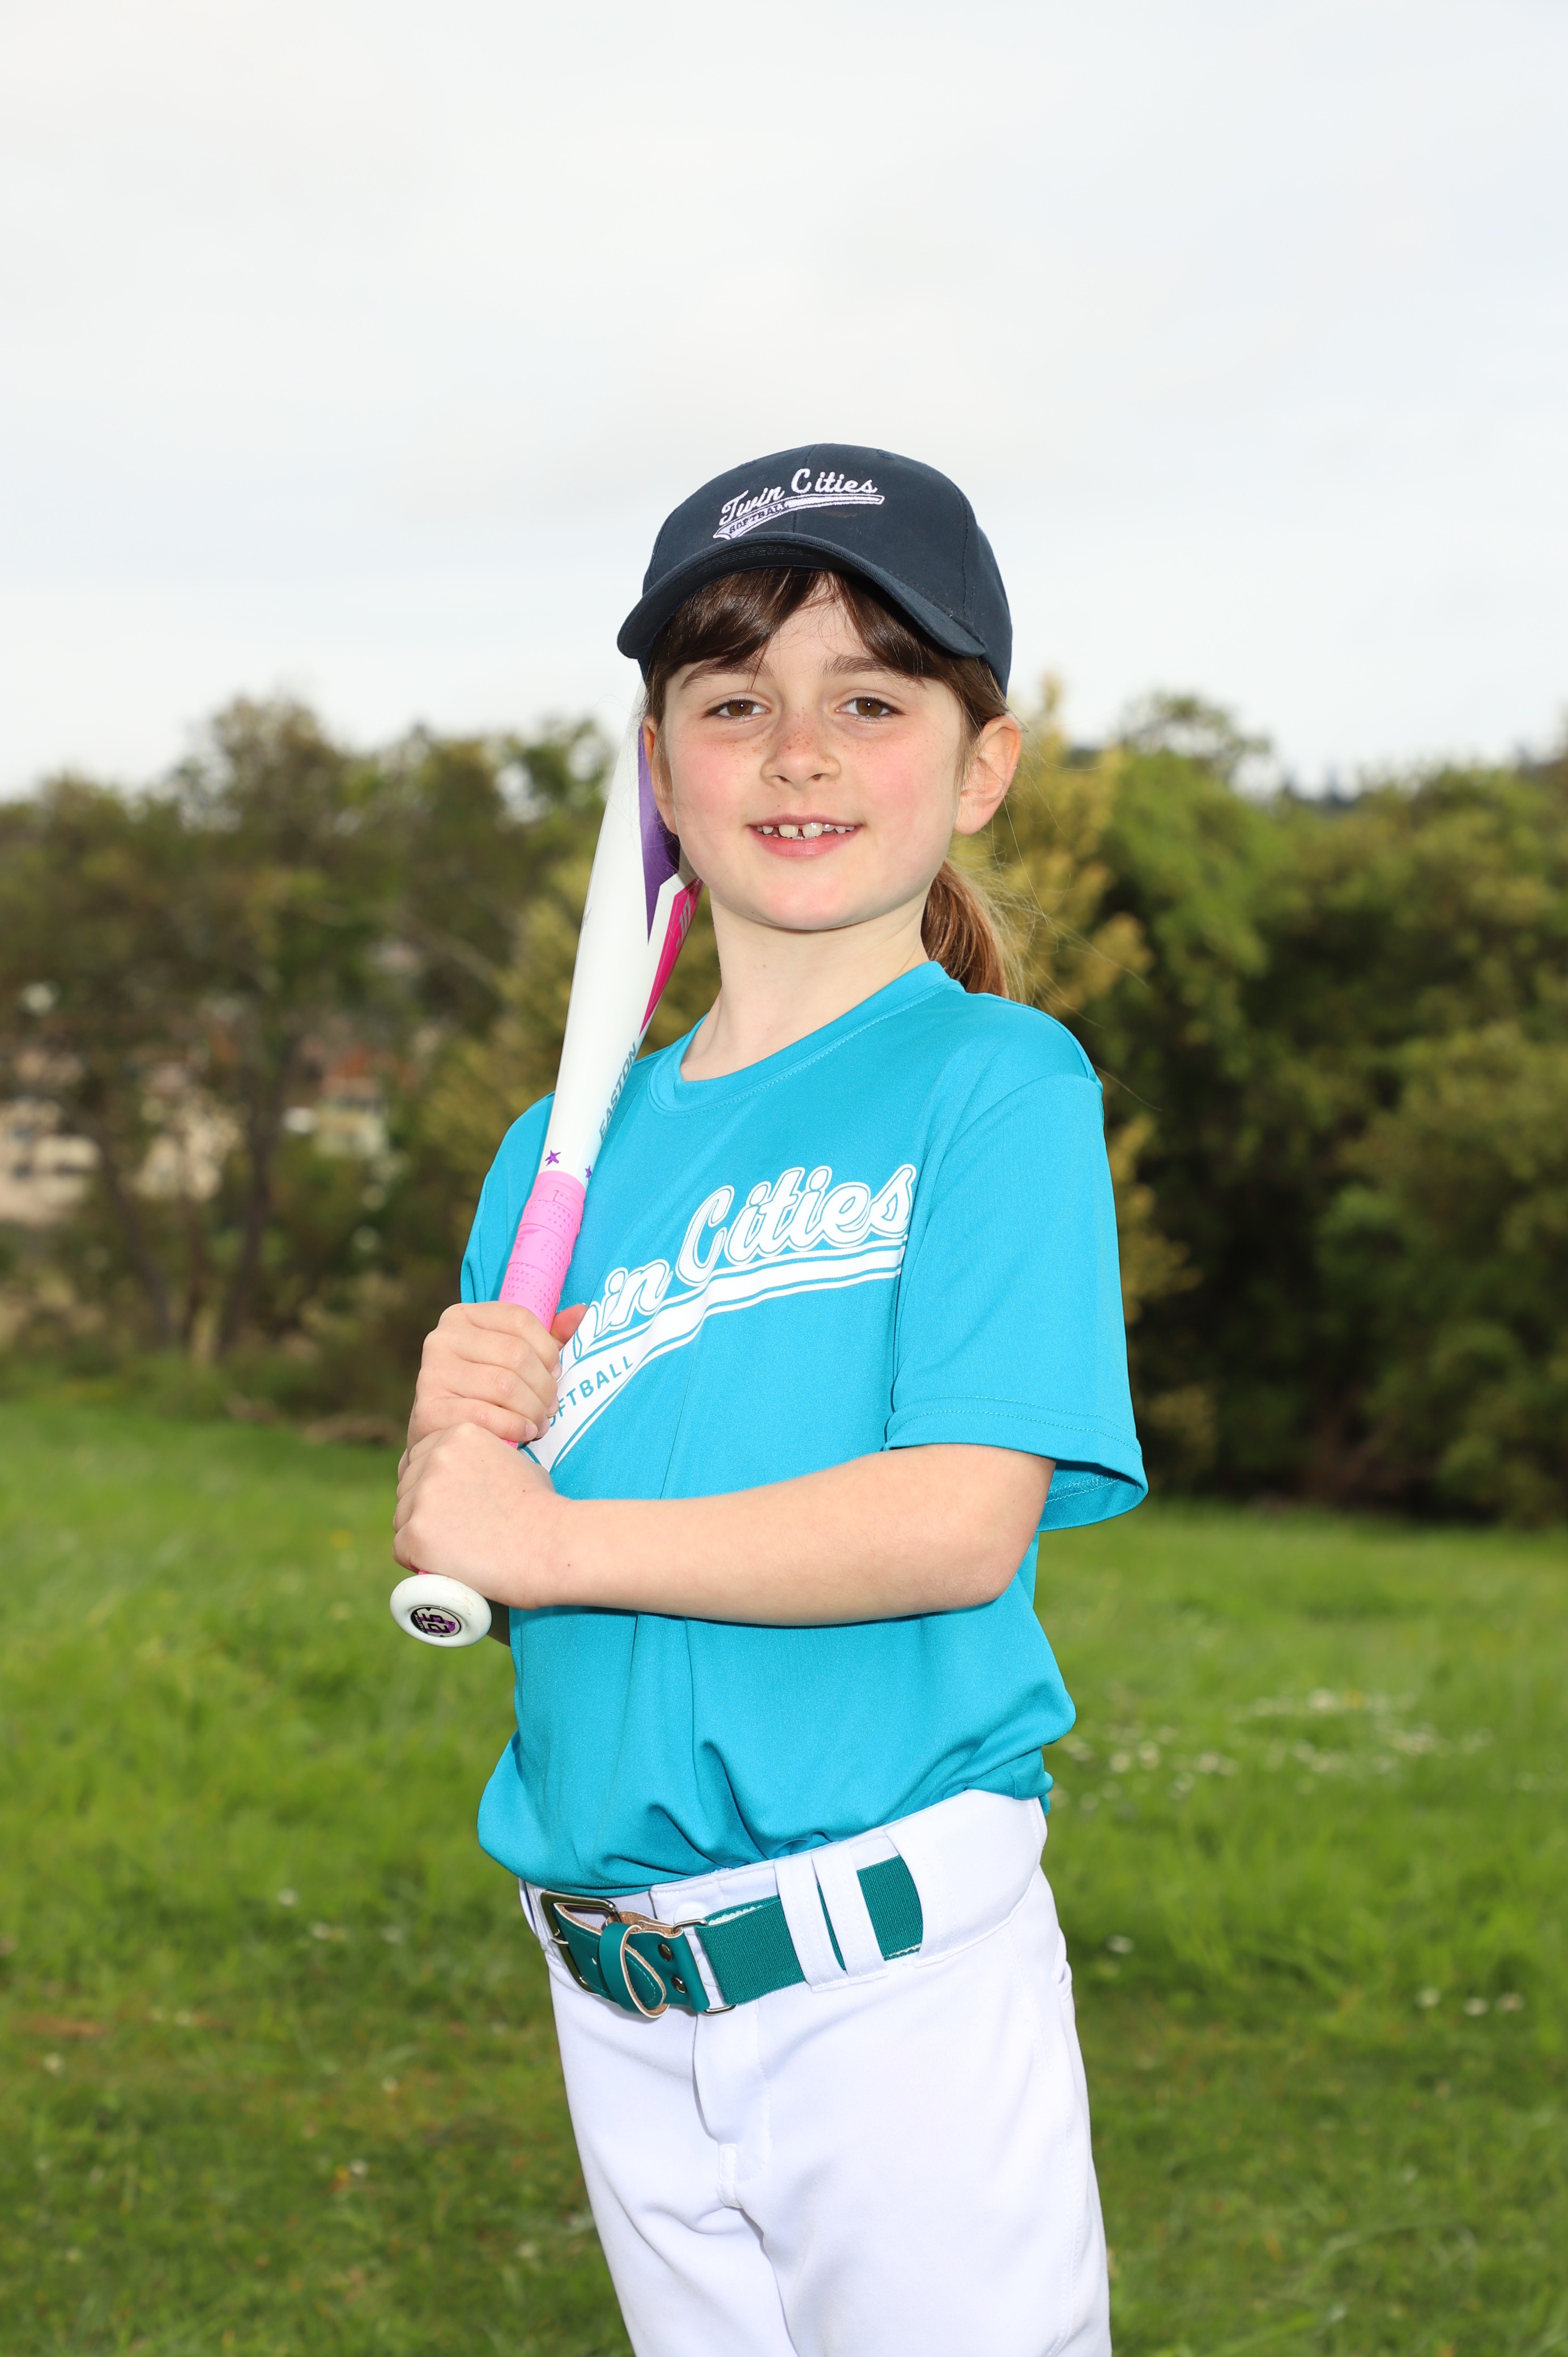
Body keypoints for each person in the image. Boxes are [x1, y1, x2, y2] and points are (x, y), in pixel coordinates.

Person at [393, 444, 1145, 2357]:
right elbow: (511, 1561)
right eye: (733, 703)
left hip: (893, 1990)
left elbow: (954, 1521)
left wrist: (550, 1541)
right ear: (660, 770)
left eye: (870, 702)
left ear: (981, 764)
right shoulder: (561, 1149)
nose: (798, 752)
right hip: (616, 1993)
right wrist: (453, 1451)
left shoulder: (997, 1086)